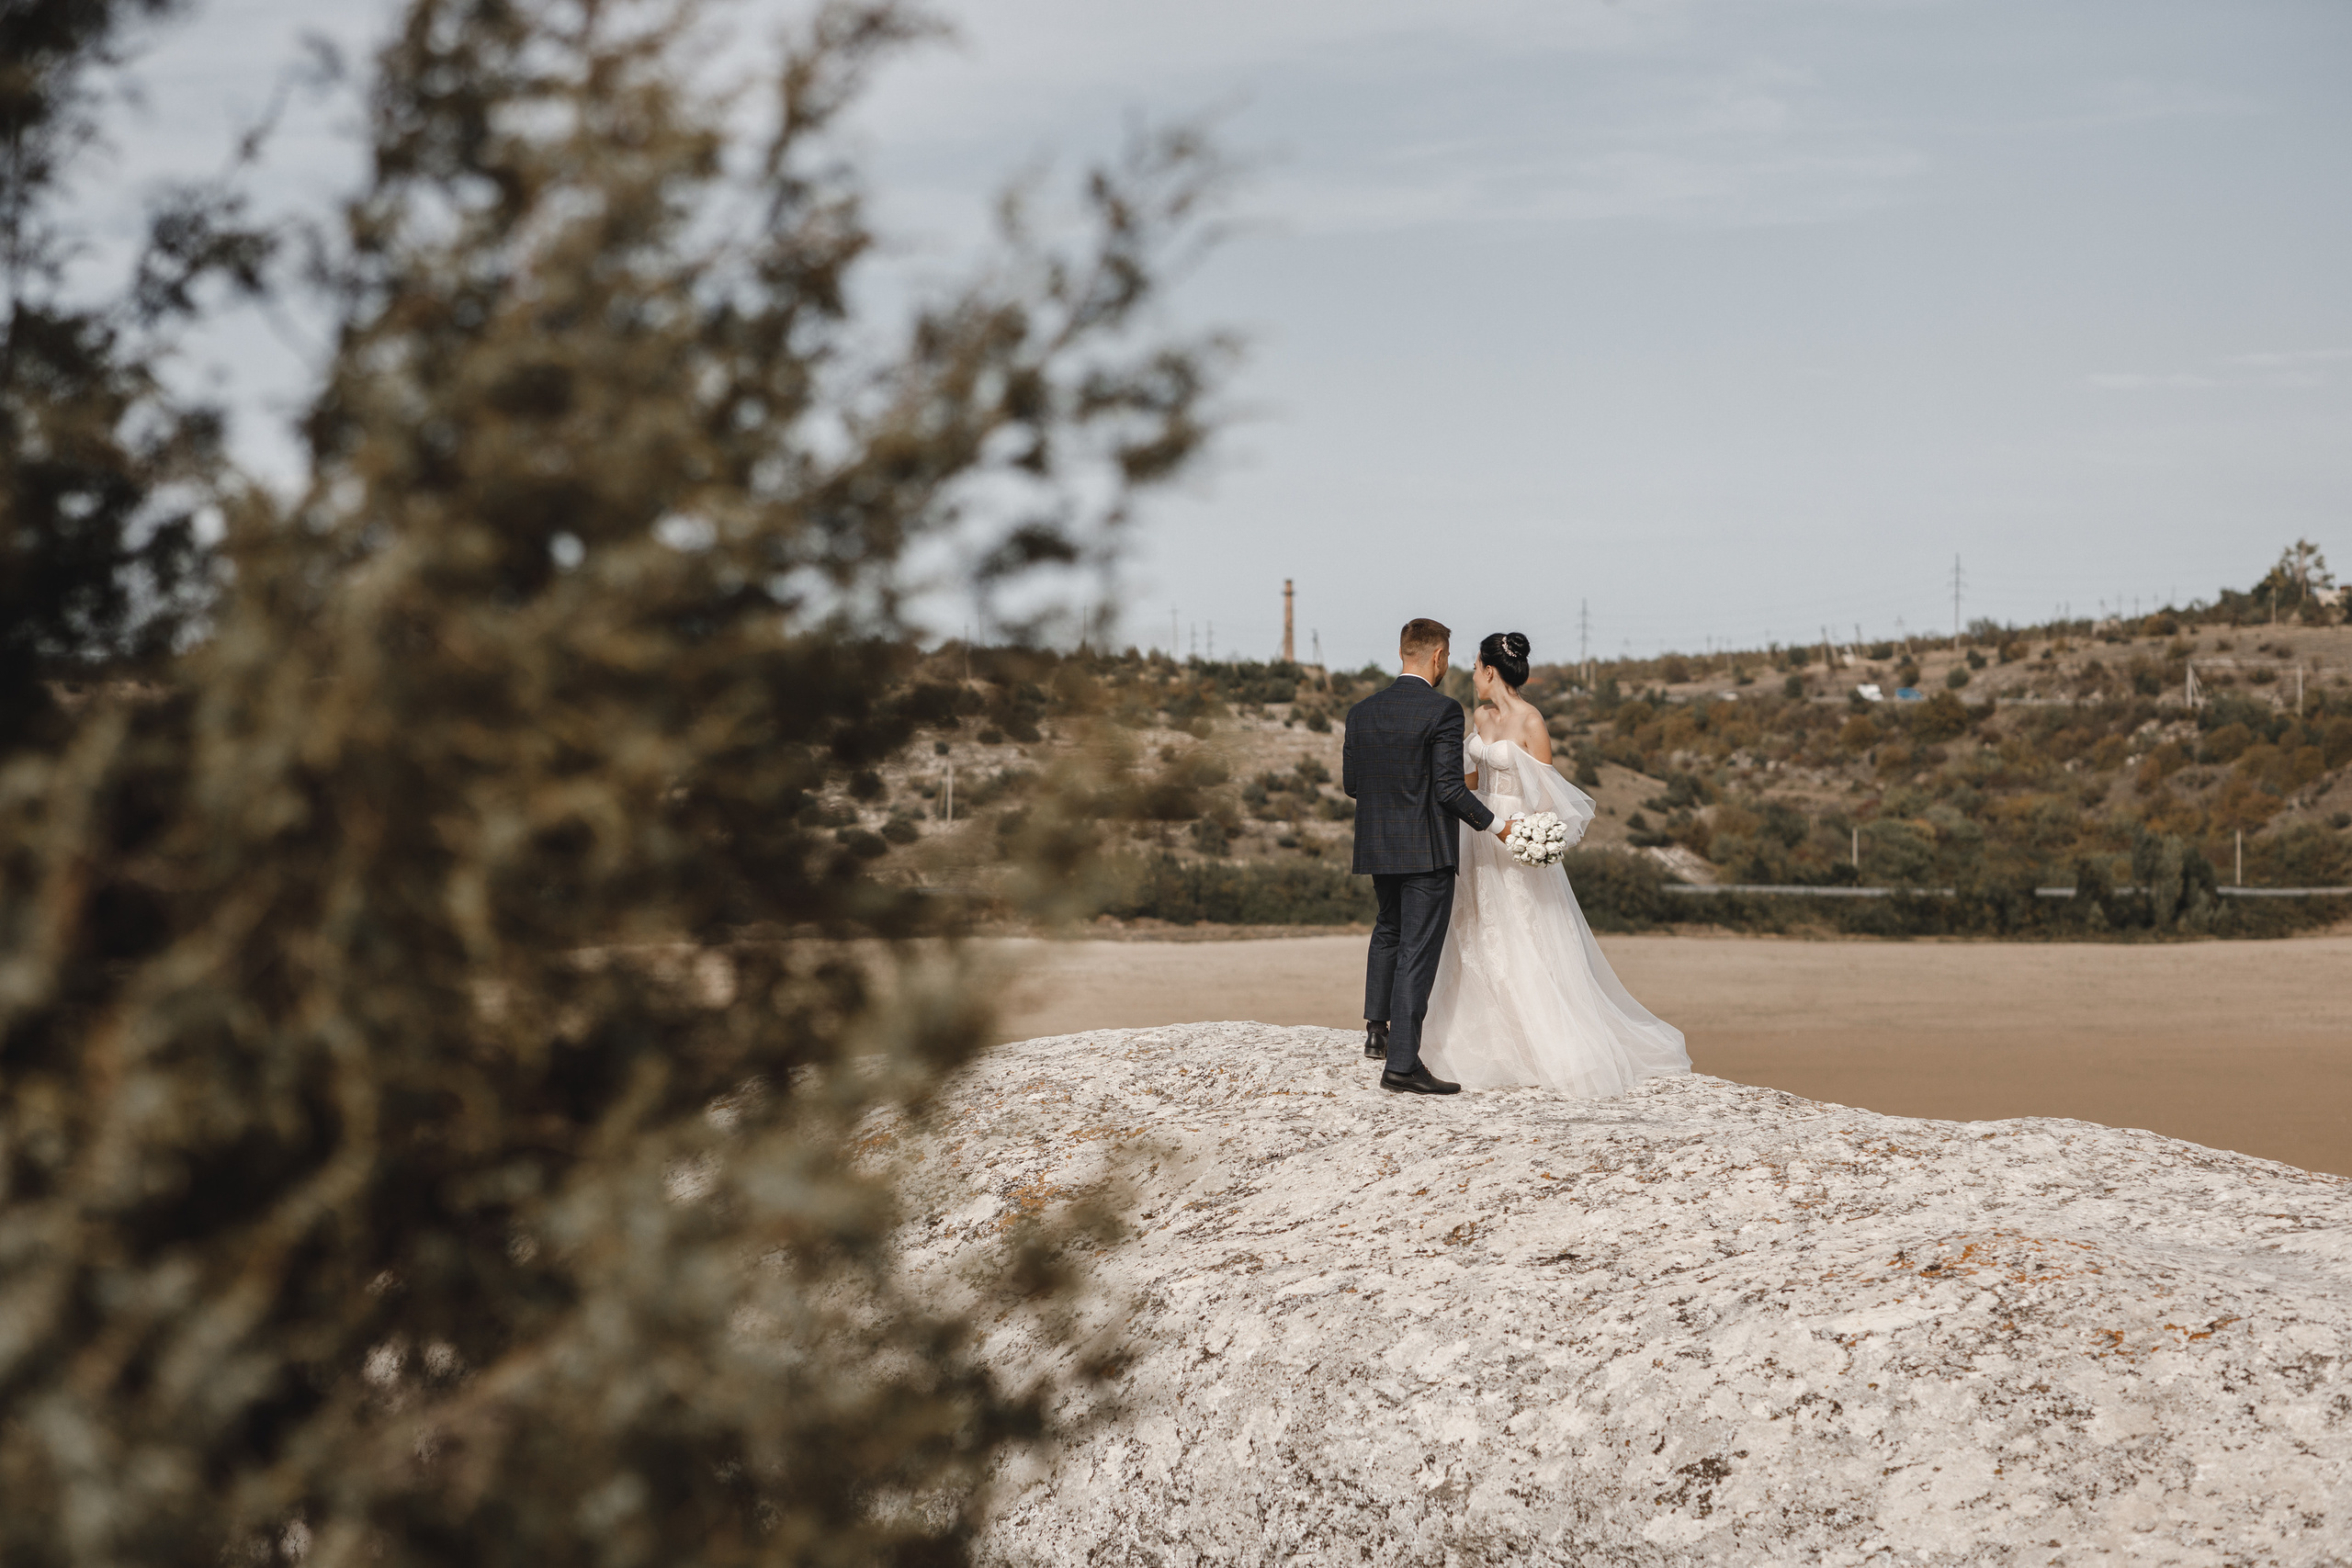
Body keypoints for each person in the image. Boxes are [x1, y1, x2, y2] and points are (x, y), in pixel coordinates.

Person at [1419, 631, 1691, 1096]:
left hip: (1514, 835)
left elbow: (1548, 794)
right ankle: (1479, 1040)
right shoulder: (1478, 717)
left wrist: (1532, 835)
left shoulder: (1531, 721)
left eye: (1475, 667)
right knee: (1473, 933)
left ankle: (1543, 1045)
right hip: (1476, 835)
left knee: (1523, 934)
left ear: (1490, 670)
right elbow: (1466, 782)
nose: (1471, 676)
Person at [1341, 618, 1520, 1095]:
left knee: (1388, 932)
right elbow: (1446, 789)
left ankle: (1377, 1032)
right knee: (1417, 952)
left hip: (1380, 846)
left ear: (1404, 652)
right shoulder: (1441, 711)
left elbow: (1353, 785)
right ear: (1438, 656)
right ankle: (1402, 1064)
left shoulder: (1361, 712)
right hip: (1427, 849)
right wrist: (1498, 825)